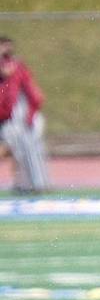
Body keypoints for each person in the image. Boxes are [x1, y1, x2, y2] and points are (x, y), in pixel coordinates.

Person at [0, 37, 49, 193]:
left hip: (23, 118)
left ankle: (37, 184)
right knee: (17, 150)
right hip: (9, 119)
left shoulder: (18, 71)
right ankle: (25, 184)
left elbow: (34, 96)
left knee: (28, 149)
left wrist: (30, 115)